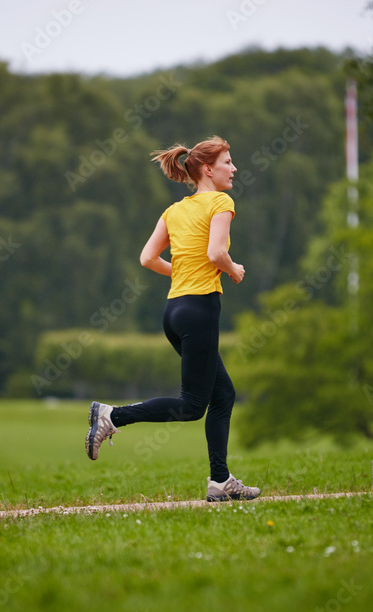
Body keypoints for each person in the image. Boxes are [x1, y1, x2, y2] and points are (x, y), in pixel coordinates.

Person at [85, 135, 261, 503]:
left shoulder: (174, 210)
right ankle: (113, 416)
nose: (234, 168)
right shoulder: (222, 202)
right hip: (199, 309)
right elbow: (215, 252)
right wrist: (233, 269)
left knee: (223, 393)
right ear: (207, 169)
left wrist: (183, 272)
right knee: (193, 406)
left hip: (174, 311)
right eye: (228, 162)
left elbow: (147, 258)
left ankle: (220, 480)